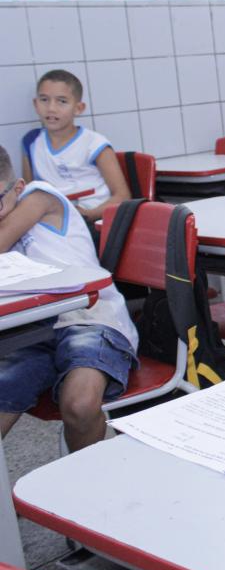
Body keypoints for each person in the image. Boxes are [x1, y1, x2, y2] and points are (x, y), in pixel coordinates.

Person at [0, 145, 138, 452]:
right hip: (32, 329)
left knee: (80, 404)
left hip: (90, 316)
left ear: (18, 187)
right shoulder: (12, 201)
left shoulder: (40, 195)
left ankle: (89, 478)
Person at [22, 69, 130, 228]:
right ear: (35, 104)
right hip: (53, 220)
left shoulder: (95, 144)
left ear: (78, 108)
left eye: (62, 101)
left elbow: (123, 197)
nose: (51, 108)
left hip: (93, 221)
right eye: (44, 99)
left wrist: (89, 214)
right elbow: (29, 192)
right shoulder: (31, 141)